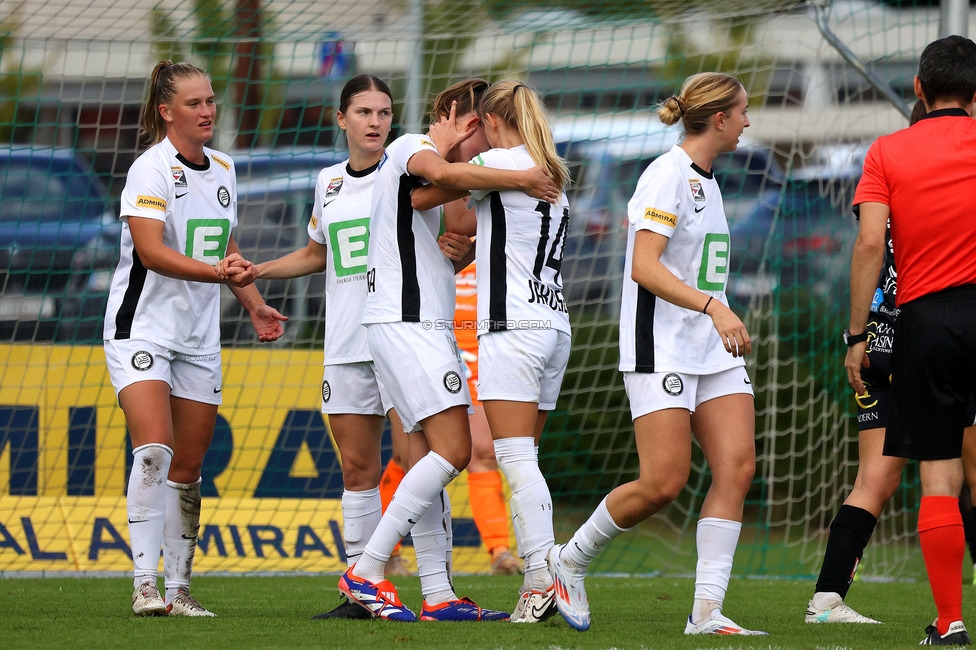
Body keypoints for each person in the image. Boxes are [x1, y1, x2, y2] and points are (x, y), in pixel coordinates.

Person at [545, 72, 766, 636]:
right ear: (719, 118)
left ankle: (707, 613)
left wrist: (712, 316)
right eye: (742, 111)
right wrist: (714, 307)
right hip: (660, 345)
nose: (747, 121)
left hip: (709, 349)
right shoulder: (666, 175)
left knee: (737, 467)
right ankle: (569, 559)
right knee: (663, 482)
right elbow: (644, 267)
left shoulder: (710, 181)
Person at [338, 78, 559, 622]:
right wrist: (519, 175)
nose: (484, 137)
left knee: (429, 457)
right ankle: (365, 571)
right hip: (402, 319)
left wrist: (462, 247)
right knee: (454, 450)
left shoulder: (464, 176)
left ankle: (437, 594)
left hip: (426, 322)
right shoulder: (411, 145)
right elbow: (432, 179)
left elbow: (456, 222)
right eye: (475, 124)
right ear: (457, 120)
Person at [105, 60, 286, 617]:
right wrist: (216, 275)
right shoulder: (149, 170)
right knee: (154, 448)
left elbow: (226, 252)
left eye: (211, 101)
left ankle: (180, 590)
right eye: (194, 103)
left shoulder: (225, 168)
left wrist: (253, 305)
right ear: (167, 111)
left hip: (199, 338)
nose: (207, 110)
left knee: (188, 465)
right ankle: (144, 586)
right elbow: (151, 252)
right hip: (142, 328)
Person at [233, 74, 409, 620]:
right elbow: (316, 254)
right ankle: (361, 593)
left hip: (404, 341)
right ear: (341, 119)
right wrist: (259, 269)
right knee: (358, 471)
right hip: (346, 344)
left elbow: (453, 228)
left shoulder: (408, 171)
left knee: (418, 463)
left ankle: (439, 588)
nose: (375, 122)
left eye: (383, 112)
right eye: (363, 112)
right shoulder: (328, 181)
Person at [806, 98, 976, 626]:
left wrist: (854, 335)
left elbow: (870, 246)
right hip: (938, 330)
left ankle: (827, 598)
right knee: (962, 471)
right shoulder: (954, 182)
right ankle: (951, 612)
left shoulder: (891, 166)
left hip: (886, 334)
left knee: (876, 479)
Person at [414, 80, 573, 621]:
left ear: (487, 121)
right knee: (525, 459)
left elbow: (421, 196)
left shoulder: (497, 161)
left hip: (513, 326)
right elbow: (467, 226)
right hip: (554, 325)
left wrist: (442, 147)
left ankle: (542, 578)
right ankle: (544, 573)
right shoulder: (546, 164)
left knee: (513, 458)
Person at [846, 35, 976, 645]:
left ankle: (949, 621)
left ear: (919, 90)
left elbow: (871, 244)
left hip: (927, 320)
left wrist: (857, 333)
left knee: (939, 476)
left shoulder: (887, 151)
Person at [454, 260, 525, 576]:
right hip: (429, 338)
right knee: (408, 454)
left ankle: (499, 551)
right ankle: (388, 552)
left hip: (484, 343)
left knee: (483, 451)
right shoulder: (424, 215)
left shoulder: (500, 218)